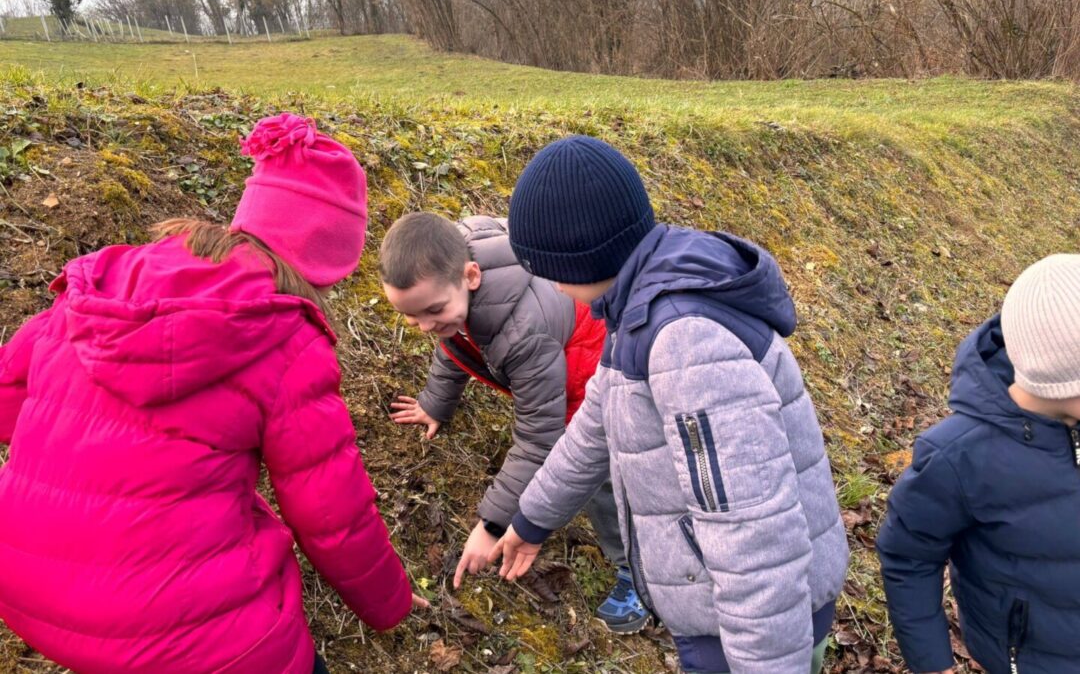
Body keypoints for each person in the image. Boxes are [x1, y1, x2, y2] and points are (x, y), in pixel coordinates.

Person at [0, 113, 424, 674]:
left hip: (24, 587)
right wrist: (389, 603)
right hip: (171, 634)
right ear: (328, 260)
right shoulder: (286, 339)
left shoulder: (103, 284)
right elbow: (332, 515)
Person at [489, 134, 849, 673]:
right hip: (718, 606)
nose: (552, 287)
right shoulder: (638, 303)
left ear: (584, 256)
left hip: (753, 632)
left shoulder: (683, 341)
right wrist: (531, 520)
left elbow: (751, 530)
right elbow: (596, 427)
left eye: (550, 270)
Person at [380, 212, 649, 633]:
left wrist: (491, 525)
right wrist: (436, 403)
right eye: (413, 319)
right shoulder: (455, 267)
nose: (428, 326)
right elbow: (454, 342)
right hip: (556, 359)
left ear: (471, 277)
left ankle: (638, 571)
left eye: (433, 311)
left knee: (598, 473)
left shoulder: (521, 334)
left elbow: (539, 439)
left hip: (595, 373)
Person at [877, 254, 1080, 674]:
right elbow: (907, 555)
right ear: (1059, 382)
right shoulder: (960, 456)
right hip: (1032, 659)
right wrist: (933, 662)